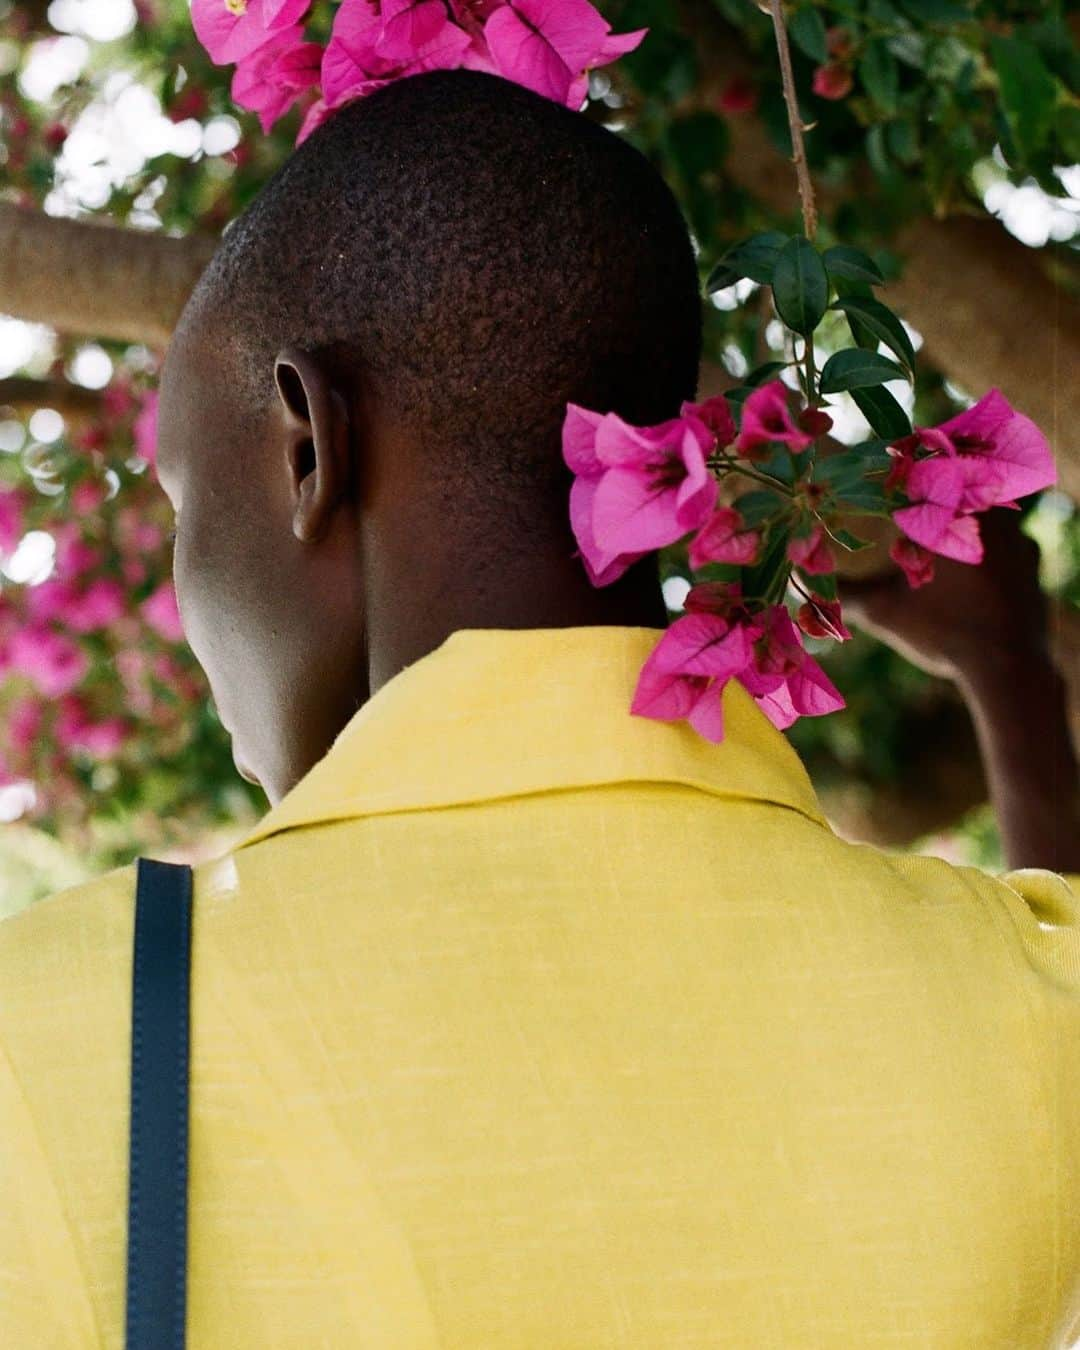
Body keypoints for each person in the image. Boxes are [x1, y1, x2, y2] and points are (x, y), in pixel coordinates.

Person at [1, 69, 1078, 1347]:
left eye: (187, 501)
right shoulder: (1028, 1005)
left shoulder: (54, 1043)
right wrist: (1016, 682)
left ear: (307, 448)